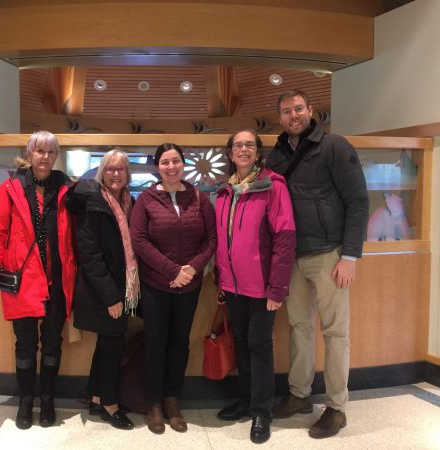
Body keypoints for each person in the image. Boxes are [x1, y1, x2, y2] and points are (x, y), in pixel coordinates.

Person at [266, 90, 369, 439]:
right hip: (291, 256)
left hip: (329, 254)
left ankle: (337, 408)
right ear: (279, 118)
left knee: (335, 332)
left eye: (298, 109)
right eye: (286, 111)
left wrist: (350, 256)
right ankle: (299, 395)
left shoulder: (334, 146)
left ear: (311, 111)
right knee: (298, 326)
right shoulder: (276, 155)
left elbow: (358, 201)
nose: (293, 115)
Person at [0, 130, 76, 430]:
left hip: (57, 281)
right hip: (22, 280)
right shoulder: (10, 188)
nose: (45, 157)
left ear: (56, 156)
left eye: (51, 152)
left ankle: (47, 400)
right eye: (39, 151)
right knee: (24, 345)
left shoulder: (67, 189)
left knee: (52, 345)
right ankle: (25, 401)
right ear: (29, 153)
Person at [214, 129, 296, 444]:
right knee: (242, 343)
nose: (244, 149)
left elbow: (285, 239)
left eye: (250, 145)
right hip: (233, 285)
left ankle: (262, 411)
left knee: (259, 346)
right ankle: (246, 400)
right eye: (238, 145)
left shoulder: (273, 186)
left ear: (258, 152)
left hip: (262, 287)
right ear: (230, 152)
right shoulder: (225, 189)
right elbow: (223, 240)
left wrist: (277, 288)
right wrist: (221, 279)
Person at [130, 143, 217, 434]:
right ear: (158, 167)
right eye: (165, 162)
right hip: (156, 285)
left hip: (189, 286)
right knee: (155, 344)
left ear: (183, 164)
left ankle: (172, 401)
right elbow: (139, 240)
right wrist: (172, 271)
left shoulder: (199, 198)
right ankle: (154, 404)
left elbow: (211, 239)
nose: (171, 167)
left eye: (176, 161)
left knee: (180, 343)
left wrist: (192, 269)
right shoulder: (145, 199)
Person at [65, 149, 137, 430]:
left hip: (120, 287)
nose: (116, 174)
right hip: (103, 291)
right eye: (110, 169)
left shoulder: (128, 201)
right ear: (102, 172)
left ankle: (95, 397)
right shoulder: (93, 203)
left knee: (108, 344)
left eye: (121, 169)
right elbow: (90, 255)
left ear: (128, 173)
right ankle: (110, 403)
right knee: (112, 347)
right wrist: (111, 297)